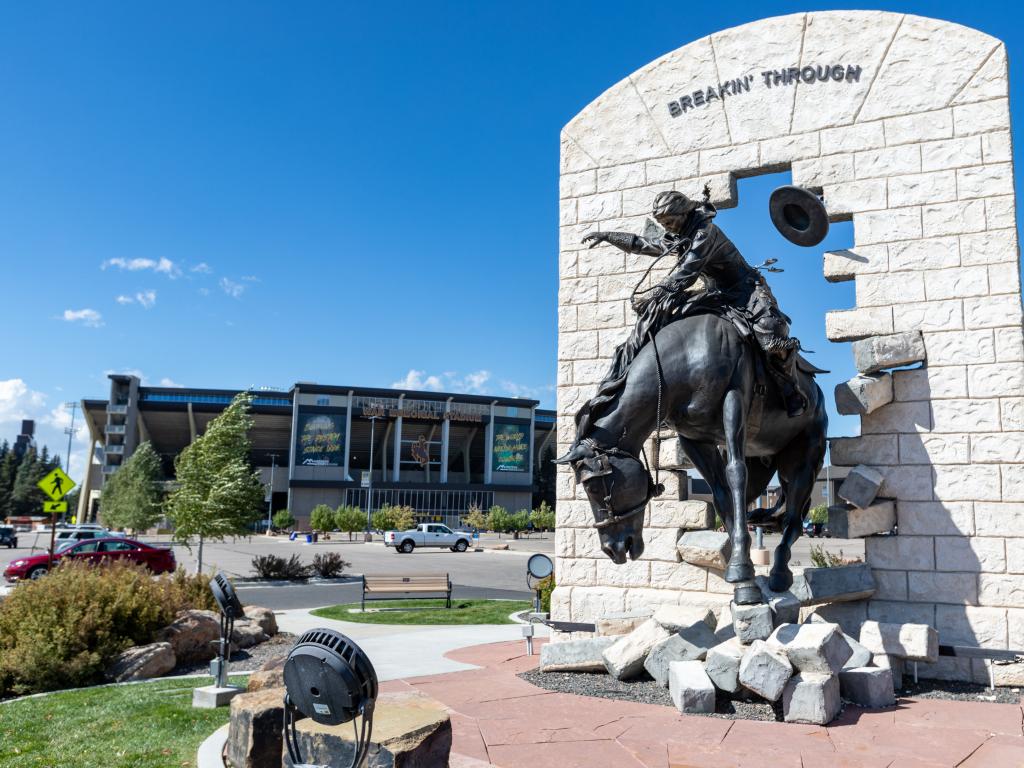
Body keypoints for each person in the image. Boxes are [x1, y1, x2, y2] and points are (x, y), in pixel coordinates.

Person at [574, 189, 807, 440]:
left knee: (771, 334)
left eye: (670, 221)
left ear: (684, 213)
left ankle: (790, 388)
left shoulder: (703, 233)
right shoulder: (681, 233)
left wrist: (653, 295)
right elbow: (647, 244)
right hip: (715, 293)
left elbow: (687, 272)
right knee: (663, 324)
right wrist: (609, 236)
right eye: (663, 223)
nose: (667, 227)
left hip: (746, 289)